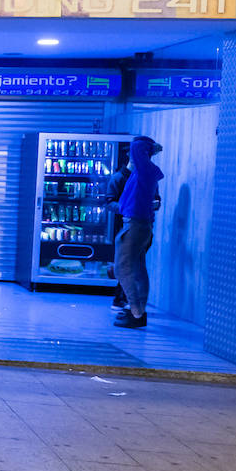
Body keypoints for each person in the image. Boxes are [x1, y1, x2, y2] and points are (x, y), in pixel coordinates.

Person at [115, 136, 164, 329]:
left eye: (132, 153)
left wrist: (149, 147)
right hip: (142, 225)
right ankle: (139, 310)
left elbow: (137, 145)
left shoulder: (144, 170)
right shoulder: (145, 172)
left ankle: (135, 310)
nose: (130, 155)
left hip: (135, 225)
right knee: (138, 269)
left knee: (122, 268)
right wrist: (151, 150)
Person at [105, 150, 132, 315]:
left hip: (139, 225)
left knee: (131, 263)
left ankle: (123, 298)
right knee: (126, 263)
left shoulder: (145, 177)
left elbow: (156, 198)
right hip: (122, 226)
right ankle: (121, 298)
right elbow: (109, 202)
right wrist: (127, 208)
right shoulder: (118, 178)